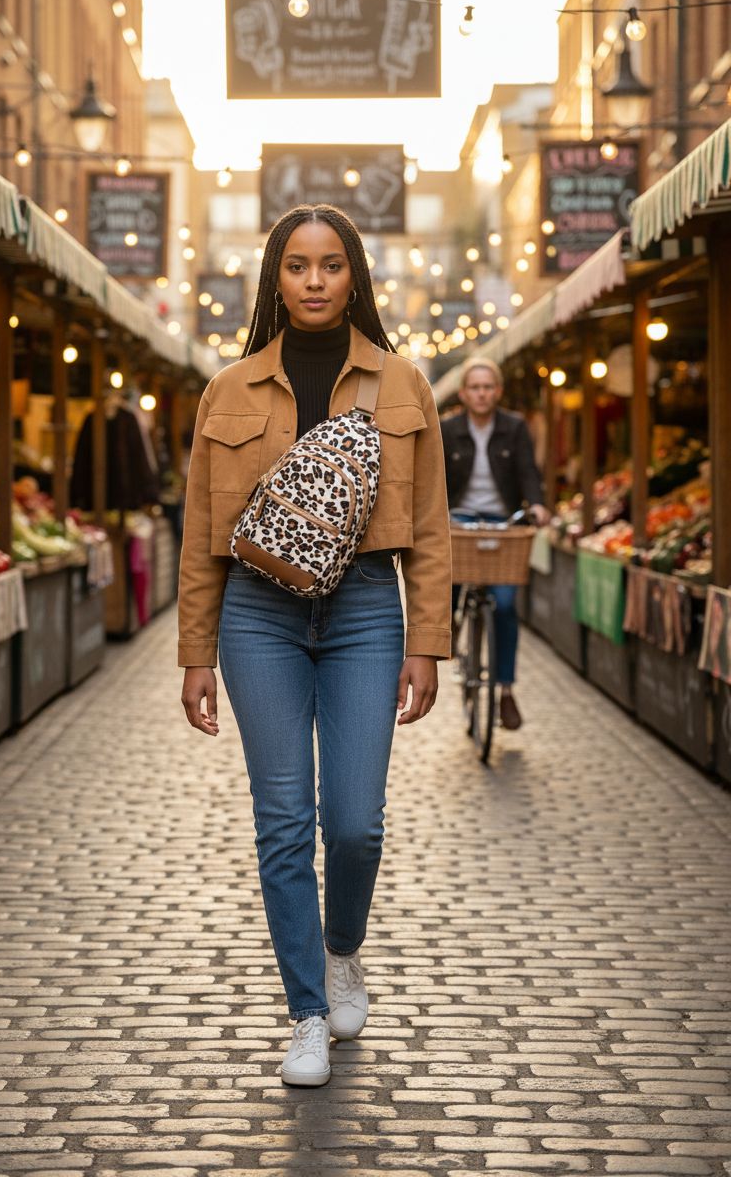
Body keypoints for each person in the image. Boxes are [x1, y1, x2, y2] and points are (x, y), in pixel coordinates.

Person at [177, 203, 451, 1088]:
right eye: (298, 266)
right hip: (257, 615)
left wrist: (428, 642)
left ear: (355, 275)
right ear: (275, 278)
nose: (315, 280)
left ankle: (343, 952)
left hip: (369, 609)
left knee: (356, 823)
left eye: (331, 265)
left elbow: (436, 529)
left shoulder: (403, 384)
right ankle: (304, 1012)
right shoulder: (229, 389)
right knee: (285, 823)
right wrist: (194, 653)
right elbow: (198, 533)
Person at [441, 357, 548, 730]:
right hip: (460, 519)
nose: (482, 393)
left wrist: (536, 504)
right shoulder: (448, 429)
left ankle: (505, 690)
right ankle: (451, 627)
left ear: (497, 392)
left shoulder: (514, 427)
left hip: (503, 523)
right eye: (475, 387)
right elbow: (433, 476)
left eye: (488, 387)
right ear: (464, 393)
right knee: (449, 579)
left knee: (504, 605)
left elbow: (528, 472)